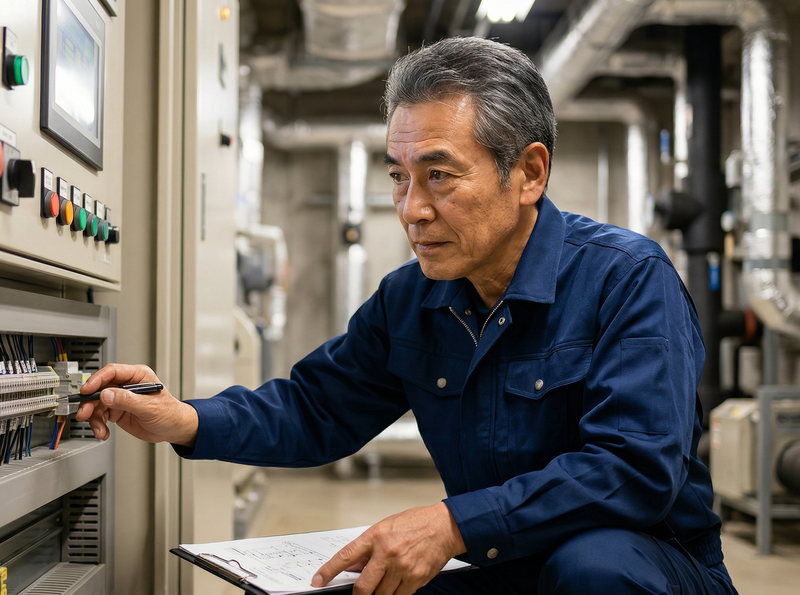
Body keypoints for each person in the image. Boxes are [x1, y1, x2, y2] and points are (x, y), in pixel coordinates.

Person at [77, 37, 738, 595]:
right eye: (399, 177)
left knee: (593, 568)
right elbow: (316, 407)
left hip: (649, 566)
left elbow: (633, 468)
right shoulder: (412, 298)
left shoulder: (626, 278)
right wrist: (185, 419)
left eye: (439, 176)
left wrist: (452, 525)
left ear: (529, 173)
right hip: (506, 559)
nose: (412, 209)